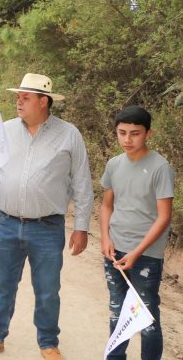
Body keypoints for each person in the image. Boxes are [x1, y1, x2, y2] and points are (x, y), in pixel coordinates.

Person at [0, 73, 94, 360]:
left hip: (47, 227)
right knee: (3, 285)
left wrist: (81, 227)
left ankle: (48, 343)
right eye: (18, 97)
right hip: (7, 224)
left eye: (25, 97)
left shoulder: (69, 135)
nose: (19, 102)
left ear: (43, 102)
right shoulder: (5, 130)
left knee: (47, 290)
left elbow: (82, 183)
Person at [100, 106, 174, 360]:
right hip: (115, 251)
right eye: (122, 133)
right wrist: (106, 238)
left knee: (146, 316)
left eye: (135, 133)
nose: (127, 139)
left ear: (148, 134)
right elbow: (107, 205)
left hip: (146, 255)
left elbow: (164, 216)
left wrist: (137, 252)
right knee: (116, 310)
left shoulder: (160, 167)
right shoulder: (113, 165)